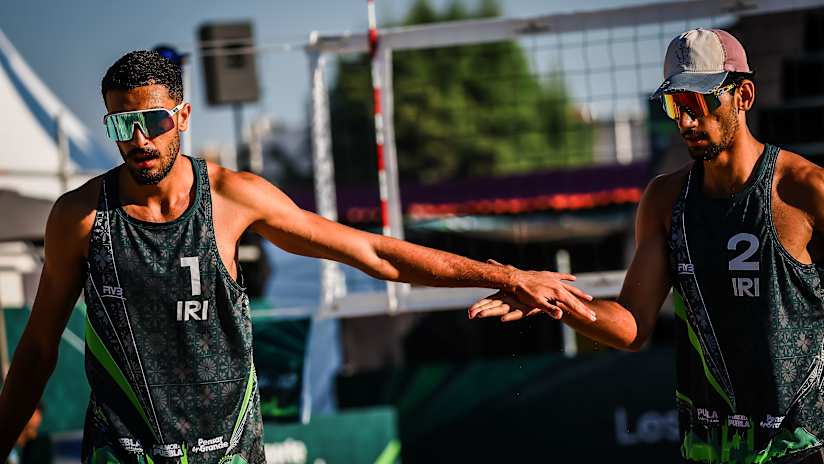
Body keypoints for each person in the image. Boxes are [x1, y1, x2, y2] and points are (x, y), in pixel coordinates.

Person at [0, 50, 594, 464]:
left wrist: (508, 273)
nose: (139, 139)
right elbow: (38, 346)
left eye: (152, 120)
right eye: (121, 124)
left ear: (181, 115)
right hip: (121, 454)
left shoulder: (233, 198)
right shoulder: (79, 217)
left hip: (226, 452)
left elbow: (373, 252)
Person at [469, 28, 824, 463]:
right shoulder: (665, 199)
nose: (686, 121)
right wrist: (556, 301)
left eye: (698, 102)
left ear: (744, 96)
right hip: (710, 451)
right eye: (676, 104)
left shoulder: (805, 190)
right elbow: (631, 325)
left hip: (802, 449)